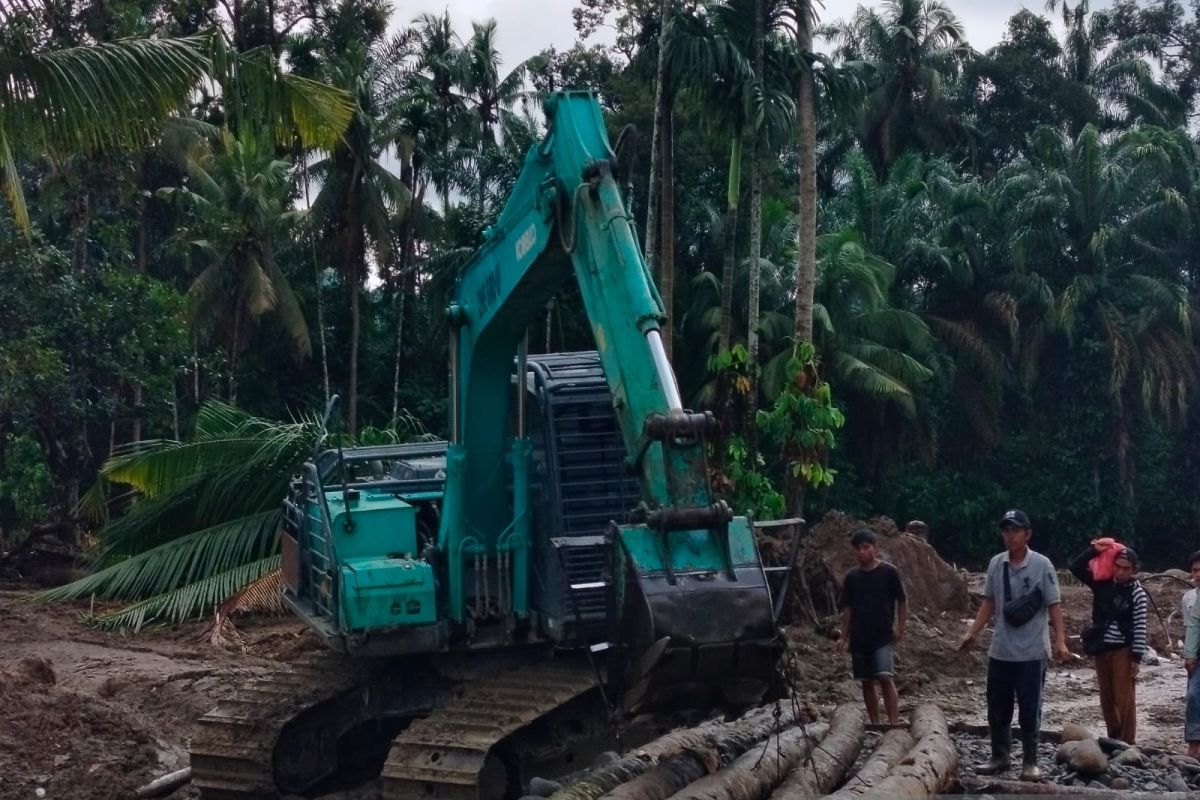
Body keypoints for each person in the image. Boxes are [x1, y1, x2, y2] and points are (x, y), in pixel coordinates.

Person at [958, 509, 1071, 782]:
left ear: (1027, 534)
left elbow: (1054, 605)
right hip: (1001, 650)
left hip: (1032, 651)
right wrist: (972, 632)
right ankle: (1000, 756)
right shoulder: (997, 563)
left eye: (1015, 530)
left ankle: (1030, 761)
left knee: (1030, 708)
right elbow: (989, 602)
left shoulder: (1042, 565)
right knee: (997, 706)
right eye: (1006, 530)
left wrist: (1060, 642)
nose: (1010, 535)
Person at [1069, 540, 1148, 744]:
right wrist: (1093, 551)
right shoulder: (1102, 585)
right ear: (1112, 566)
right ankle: (1114, 738)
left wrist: (1136, 658)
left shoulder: (1137, 593)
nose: (1121, 572)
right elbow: (1075, 567)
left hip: (1123, 649)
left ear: (1134, 570)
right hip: (1102, 647)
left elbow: (1140, 626)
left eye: (1126, 568)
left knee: (1125, 698)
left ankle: (1127, 741)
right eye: (1118, 567)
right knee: (1107, 698)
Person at [835, 528, 908, 724]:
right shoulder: (852, 577)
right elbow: (848, 608)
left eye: (866, 547)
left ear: (874, 548)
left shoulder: (889, 572)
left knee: (885, 677)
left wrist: (901, 627)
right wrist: (844, 636)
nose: (862, 552)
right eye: (858, 548)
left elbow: (902, 601)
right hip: (859, 636)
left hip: (883, 635)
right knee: (866, 682)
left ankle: (893, 723)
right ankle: (875, 723)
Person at [1182, 551, 1200, 758]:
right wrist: (1189, 655)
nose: (1198, 575)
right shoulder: (1192, 598)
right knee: (1194, 696)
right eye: (1195, 570)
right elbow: (1192, 626)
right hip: (1198, 656)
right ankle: (1194, 744)